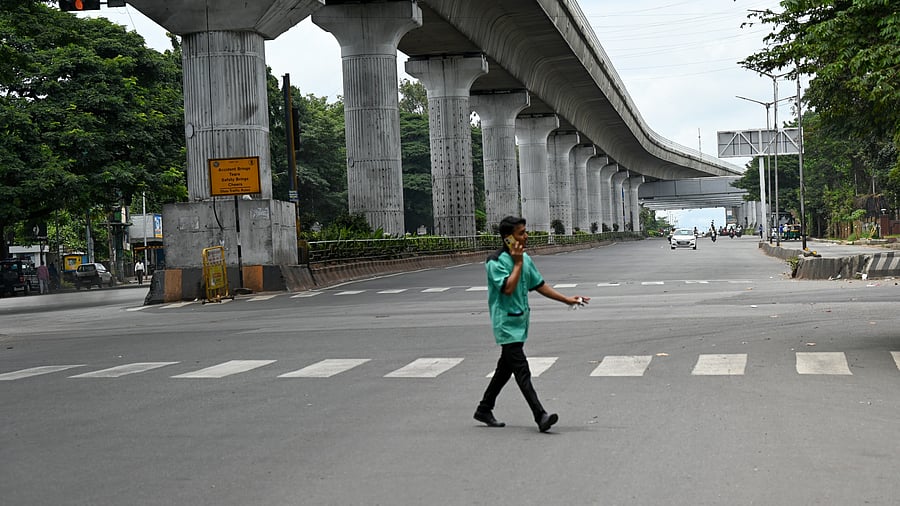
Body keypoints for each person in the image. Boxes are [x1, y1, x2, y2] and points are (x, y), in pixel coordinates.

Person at [474, 216, 590, 433]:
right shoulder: (495, 261)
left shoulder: (526, 260)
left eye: (525, 232)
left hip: (520, 322)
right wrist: (517, 263)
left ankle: (484, 408)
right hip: (506, 324)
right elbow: (507, 288)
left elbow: (539, 285)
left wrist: (567, 299)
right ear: (508, 238)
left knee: (504, 370)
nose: (526, 236)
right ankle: (540, 415)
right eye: (521, 233)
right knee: (521, 370)